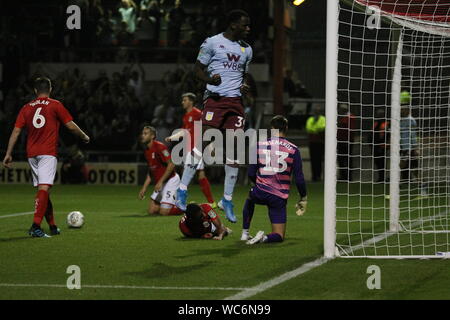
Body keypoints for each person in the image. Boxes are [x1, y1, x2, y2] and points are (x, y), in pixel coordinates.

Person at [175, 9, 253, 224]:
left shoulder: (247, 49)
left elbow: (243, 75)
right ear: (233, 24)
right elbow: (197, 69)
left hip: (236, 103)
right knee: (205, 140)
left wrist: (245, 87)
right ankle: (182, 190)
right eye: (245, 25)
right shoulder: (212, 43)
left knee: (235, 149)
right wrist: (210, 79)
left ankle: (227, 199)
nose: (248, 28)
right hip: (215, 99)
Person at [2, 77, 90, 238]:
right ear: (50, 90)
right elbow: (70, 125)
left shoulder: (26, 107)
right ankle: (35, 226)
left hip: (31, 154)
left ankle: (53, 226)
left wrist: (8, 153)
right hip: (47, 153)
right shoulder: (55, 104)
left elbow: (16, 131)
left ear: (35, 91)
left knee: (44, 191)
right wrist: (84, 136)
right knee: (44, 189)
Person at [243, 115, 308, 245]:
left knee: (250, 197)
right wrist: (303, 197)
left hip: (260, 191)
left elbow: (250, 172)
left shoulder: (259, 145)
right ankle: (264, 238)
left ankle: (245, 233)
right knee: (278, 235)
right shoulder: (293, 149)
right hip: (278, 196)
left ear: (272, 128)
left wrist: (257, 184)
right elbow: (299, 178)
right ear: (287, 128)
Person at [165, 93, 216, 207]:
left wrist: (211, 145)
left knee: (187, 174)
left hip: (195, 149)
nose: (182, 102)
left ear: (191, 102)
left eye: (185, 100)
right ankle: (211, 202)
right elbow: (184, 132)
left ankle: (180, 201)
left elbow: (206, 129)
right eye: (183, 100)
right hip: (190, 148)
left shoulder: (197, 114)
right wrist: (172, 138)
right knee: (200, 174)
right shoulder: (186, 116)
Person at [139, 125, 184, 215]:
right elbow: (151, 171)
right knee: (152, 211)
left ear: (152, 136)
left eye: (145, 133)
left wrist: (160, 182)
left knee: (164, 212)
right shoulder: (146, 150)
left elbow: (171, 164)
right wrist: (144, 188)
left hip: (171, 180)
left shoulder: (160, 147)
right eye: (142, 133)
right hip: (162, 182)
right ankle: (171, 202)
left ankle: (185, 207)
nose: (142, 135)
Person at [399, 91, 428, 197]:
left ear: (408, 110)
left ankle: (396, 190)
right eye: (401, 109)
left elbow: (413, 135)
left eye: (403, 109)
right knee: (413, 170)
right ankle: (423, 189)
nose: (401, 110)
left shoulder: (410, 120)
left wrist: (416, 148)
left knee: (401, 166)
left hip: (409, 149)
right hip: (404, 148)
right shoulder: (401, 120)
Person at [337, 103, 356, 181]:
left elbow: (349, 129)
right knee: (340, 159)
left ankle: (348, 176)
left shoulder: (349, 117)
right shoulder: (341, 117)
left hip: (347, 141)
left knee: (347, 159)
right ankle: (343, 176)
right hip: (340, 140)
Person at [305, 106, 325, 181]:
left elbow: (323, 127)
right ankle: (314, 176)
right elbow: (308, 128)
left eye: (318, 111)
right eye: (315, 111)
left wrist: (314, 129)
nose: (316, 113)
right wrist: (316, 129)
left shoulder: (323, 119)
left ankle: (319, 175)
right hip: (312, 142)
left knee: (319, 160)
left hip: (320, 142)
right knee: (313, 160)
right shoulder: (310, 119)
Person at [373, 108, 389, 183]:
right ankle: (381, 177)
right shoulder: (376, 123)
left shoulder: (385, 123)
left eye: (380, 114)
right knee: (378, 162)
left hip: (382, 146)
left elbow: (386, 135)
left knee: (381, 162)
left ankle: (383, 178)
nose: (378, 115)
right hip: (375, 145)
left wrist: (383, 145)